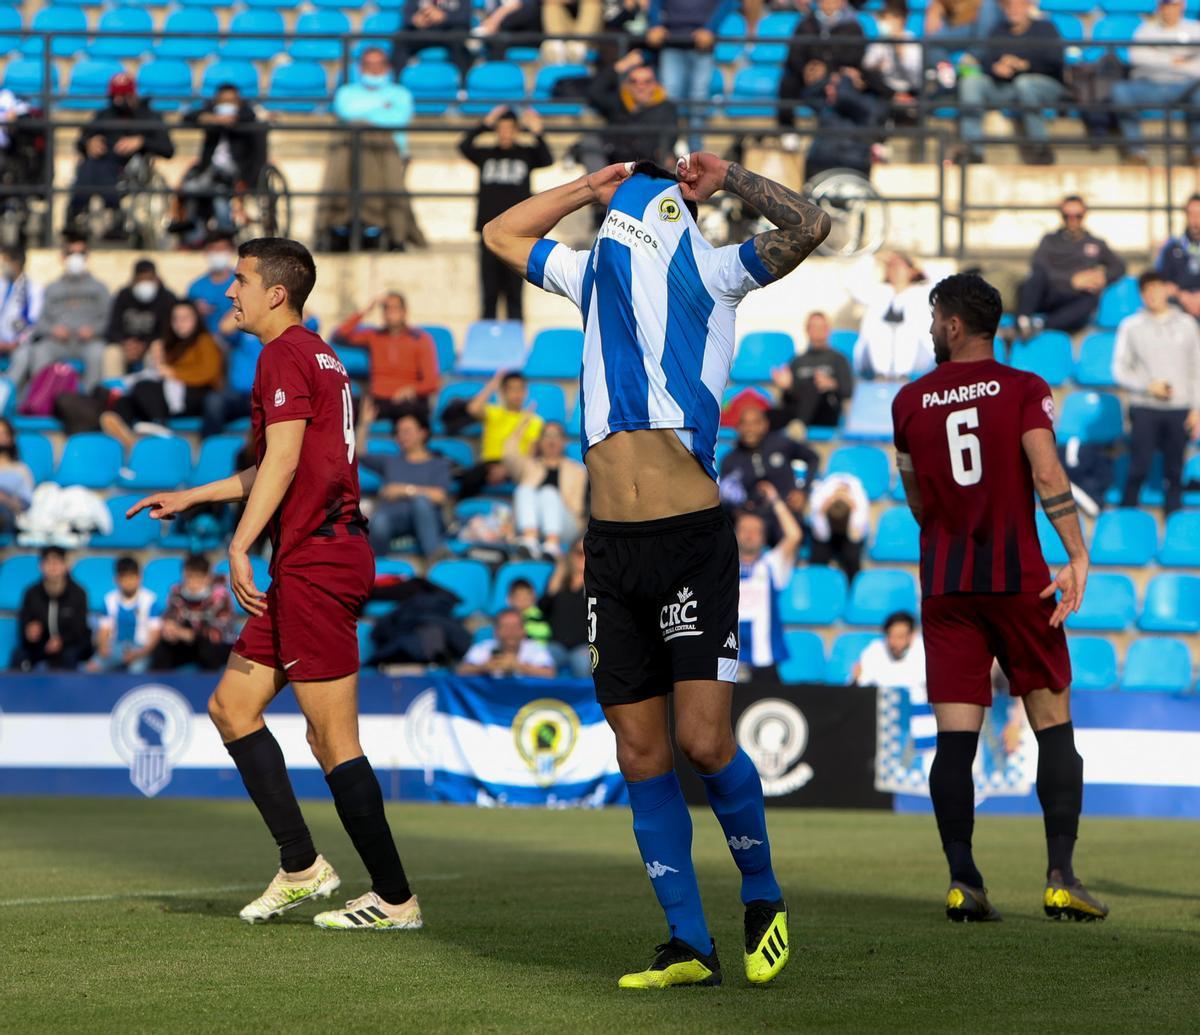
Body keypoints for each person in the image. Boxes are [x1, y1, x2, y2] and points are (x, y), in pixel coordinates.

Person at [484, 151, 830, 986]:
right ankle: (688, 942)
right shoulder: (588, 275)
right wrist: (581, 189)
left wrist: (731, 179)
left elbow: (812, 223)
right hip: (610, 547)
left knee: (703, 740)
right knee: (639, 752)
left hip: (688, 540)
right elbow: (498, 232)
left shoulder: (713, 272)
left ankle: (762, 892)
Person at [127, 237, 423, 932]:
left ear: (276, 292)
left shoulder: (282, 353)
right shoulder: (316, 353)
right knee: (233, 706)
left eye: (239, 280)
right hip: (309, 558)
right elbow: (277, 462)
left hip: (319, 558)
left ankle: (396, 898)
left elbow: (285, 459)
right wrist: (193, 496)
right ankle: (302, 866)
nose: (228, 292)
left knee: (331, 739)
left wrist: (237, 545)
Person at [892, 272, 1107, 923]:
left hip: (948, 585)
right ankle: (1061, 877)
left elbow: (917, 500)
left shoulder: (908, 401)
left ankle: (963, 879)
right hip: (1018, 579)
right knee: (1053, 725)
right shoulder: (1023, 389)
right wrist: (1076, 551)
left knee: (955, 741)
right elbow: (1046, 470)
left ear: (954, 324)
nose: (932, 328)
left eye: (935, 317)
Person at [317, 48, 425, 252]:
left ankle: (396, 236)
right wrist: (381, 107)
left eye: (379, 65)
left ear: (387, 67)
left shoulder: (400, 94)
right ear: (360, 68)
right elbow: (347, 112)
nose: (374, 70)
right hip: (352, 157)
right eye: (369, 65)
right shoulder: (346, 92)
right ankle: (340, 229)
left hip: (390, 155)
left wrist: (365, 113)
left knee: (391, 195)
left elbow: (397, 118)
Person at [1112, 271, 1200, 513]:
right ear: (1141, 294)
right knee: (1138, 467)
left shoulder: (1187, 323)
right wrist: (1147, 385)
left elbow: (1197, 367)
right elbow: (1119, 369)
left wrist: (1197, 408)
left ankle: (1173, 523)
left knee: (1175, 471)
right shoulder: (1131, 326)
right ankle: (1125, 517)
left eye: (1157, 287)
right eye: (1146, 290)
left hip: (1179, 408)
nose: (1152, 294)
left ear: (1166, 290)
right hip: (1144, 407)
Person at [459, 107, 553, 321]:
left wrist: (537, 132)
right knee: (489, 294)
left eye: (510, 129)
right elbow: (463, 145)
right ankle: (487, 346)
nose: (505, 133)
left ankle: (515, 345)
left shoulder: (526, 153)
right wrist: (484, 123)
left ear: (517, 130)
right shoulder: (485, 154)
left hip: (519, 234)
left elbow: (548, 159)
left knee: (514, 294)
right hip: (488, 231)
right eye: (500, 129)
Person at [64, 73, 174, 241]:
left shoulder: (148, 116)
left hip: (131, 168)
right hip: (100, 164)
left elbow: (168, 149)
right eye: (114, 96)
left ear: (132, 95)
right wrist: (89, 142)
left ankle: (112, 215)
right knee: (90, 166)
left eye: (123, 96)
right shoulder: (104, 114)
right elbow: (81, 140)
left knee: (100, 168)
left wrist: (142, 141)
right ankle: (77, 215)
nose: (118, 101)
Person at [100, 300, 224, 448]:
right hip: (169, 394)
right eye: (175, 319)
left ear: (196, 319)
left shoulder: (205, 341)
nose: (180, 323)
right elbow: (159, 372)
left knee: (144, 387)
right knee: (125, 400)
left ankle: (159, 424)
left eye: (185, 318)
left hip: (195, 394)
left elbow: (209, 373)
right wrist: (158, 355)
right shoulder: (172, 343)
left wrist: (174, 373)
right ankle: (126, 439)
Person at [956, 0, 1065, 166]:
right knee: (971, 82)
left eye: (1019, 5)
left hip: (1044, 85)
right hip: (1007, 87)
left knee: (1025, 83)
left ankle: (1041, 147)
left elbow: (1055, 62)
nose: (1014, 10)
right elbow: (986, 59)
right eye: (1009, 6)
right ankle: (973, 150)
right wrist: (996, 68)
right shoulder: (998, 30)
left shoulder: (1045, 28)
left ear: (1028, 6)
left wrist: (1025, 65)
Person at [172, 83, 267, 247]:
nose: (227, 105)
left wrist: (233, 120)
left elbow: (249, 116)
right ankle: (196, 235)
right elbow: (188, 116)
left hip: (234, 173)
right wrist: (211, 118)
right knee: (194, 190)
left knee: (217, 193)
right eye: (223, 101)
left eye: (231, 101)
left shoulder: (246, 118)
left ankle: (222, 234)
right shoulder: (211, 115)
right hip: (209, 172)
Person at [356, 398, 452, 559]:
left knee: (421, 502)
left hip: (426, 519)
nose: (401, 436)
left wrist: (404, 490)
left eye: (406, 431)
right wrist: (364, 424)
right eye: (398, 432)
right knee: (378, 520)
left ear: (423, 433)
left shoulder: (438, 463)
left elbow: (440, 496)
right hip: (394, 519)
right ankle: (376, 567)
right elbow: (360, 453)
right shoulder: (391, 461)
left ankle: (434, 559)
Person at [1016, 196, 1126, 338]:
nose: (1072, 219)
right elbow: (1038, 265)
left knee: (1091, 299)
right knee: (1035, 278)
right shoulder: (1049, 240)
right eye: (1067, 215)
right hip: (1048, 293)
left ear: (1084, 215)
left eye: (1077, 216)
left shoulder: (1096, 243)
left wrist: (1101, 277)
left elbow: (1119, 266)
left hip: (1073, 299)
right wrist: (1071, 280)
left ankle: (1041, 326)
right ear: (1061, 216)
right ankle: (1022, 321)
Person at [14, 235, 110, 391]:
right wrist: (52, 330)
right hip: (57, 342)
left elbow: (108, 318)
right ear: (63, 257)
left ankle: (89, 403)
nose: (76, 258)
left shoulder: (100, 288)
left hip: (88, 342)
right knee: (40, 352)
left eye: (81, 253)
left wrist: (94, 330)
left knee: (98, 353)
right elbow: (38, 321)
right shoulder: (52, 288)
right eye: (71, 253)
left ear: (87, 256)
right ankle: (40, 401)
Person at [1111, 0, 1200, 166]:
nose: (1169, 9)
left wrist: (1157, 56)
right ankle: (1137, 153)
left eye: (1173, 4)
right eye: (1165, 4)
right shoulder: (1146, 30)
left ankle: (1198, 153)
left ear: (1182, 6)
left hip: (1185, 87)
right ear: (1159, 7)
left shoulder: (1195, 29)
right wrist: (1178, 61)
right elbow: (1137, 57)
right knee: (1120, 91)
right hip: (1150, 86)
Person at [334, 292, 440, 422]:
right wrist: (367, 309)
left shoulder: (420, 339)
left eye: (395, 308)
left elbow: (431, 383)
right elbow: (340, 335)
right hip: (379, 400)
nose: (390, 312)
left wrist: (413, 390)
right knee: (342, 406)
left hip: (406, 401)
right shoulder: (374, 336)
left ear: (404, 311)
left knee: (415, 410)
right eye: (386, 308)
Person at [735, 484, 803, 683]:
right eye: (744, 529)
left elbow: (794, 535)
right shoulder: (723, 567)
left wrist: (775, 500)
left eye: (755, 531)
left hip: (765, 662)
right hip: (730, 662)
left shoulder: (771, 564)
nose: (749, 534)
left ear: (763, 537)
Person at [778, 0, 866, 149]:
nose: (829, 3)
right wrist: (807, 68)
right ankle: (788, 130)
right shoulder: (806, 23)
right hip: (807, 75)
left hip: (835, 76)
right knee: (788, 82)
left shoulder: (852, 26)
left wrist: (827, 69)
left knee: (843, 89)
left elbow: (854, 57)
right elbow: (795, 53)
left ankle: (839, 135)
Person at [719, 404, 819, 533]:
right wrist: (740, 508)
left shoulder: (781, 444)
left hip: (785, 512)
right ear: (738, 428)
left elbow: (813, 458)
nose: (750, 429)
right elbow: (727, 496)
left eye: (755, 423)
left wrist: (802, 491)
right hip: (752, 520)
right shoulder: (730, 460)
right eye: (744, 424)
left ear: (765, 424)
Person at [645, 0, 725, 154]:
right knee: (670, 98)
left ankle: (696, 154)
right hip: (671, 41)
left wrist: (711, 29)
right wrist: (655, 24)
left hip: (702, 45)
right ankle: (668, 150)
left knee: (698, 98)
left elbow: (728, 3)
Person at [584, 51, 680, 171]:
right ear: (627, 84)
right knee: (590, 141)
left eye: (647, 81)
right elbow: (594, 92)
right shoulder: (619, 101)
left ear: (655, 84)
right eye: (634, 81)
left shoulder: (666, 107)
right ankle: (599, 186)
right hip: (616, 164)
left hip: (649, 165)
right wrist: (622, 65)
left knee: (668, 159)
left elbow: (669, 138)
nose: (641, 86)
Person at [509, 419, 588, 558]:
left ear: (564, 441)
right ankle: (529, 540)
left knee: (548, 493)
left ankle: (552, 545)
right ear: (539, 441)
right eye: (547, 435)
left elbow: (577, 508)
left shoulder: (577, 470)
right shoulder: (529, 465)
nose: (551, 440)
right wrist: (522, 425)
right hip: (534, 523)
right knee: (523, 490)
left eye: (556, 435)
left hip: (566, 523)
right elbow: (509, 456)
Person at [851, 251, 936, 380]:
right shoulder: (878, 291)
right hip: (875, 365)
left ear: (911, 270)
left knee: (906, 329)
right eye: (891, 266)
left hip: (917, 361)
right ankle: (883, 375)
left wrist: (919, 265)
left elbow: (945, 286)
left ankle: (901, 376)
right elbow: (852, 284)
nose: (895, 270)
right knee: (881, 329)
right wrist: (872, 257)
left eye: (900, 266)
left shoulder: (923, 293)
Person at [459, 370, 543, 497]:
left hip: (517, 464)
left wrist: (507, 468)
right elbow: (473, 409)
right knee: (469, 478)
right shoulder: (493, 412)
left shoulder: (534, 420)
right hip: (490, 463)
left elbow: (531, 452)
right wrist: (493, 384)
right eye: (512, 389)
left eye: (520, 389)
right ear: (503, 392)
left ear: (526, 392)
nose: (517, 394)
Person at [149, 554, 238, 671]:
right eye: (189, 577)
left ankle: (210, 685)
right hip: (186, 643)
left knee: (207, 649)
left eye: (198, 578)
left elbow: (218, 633)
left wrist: (191, 635)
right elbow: (170, 615)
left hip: (216, 646)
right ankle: (161, 685)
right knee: (161, 649)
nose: (192, 583)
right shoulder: (176, 592)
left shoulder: (220, 596)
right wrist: (169, 628)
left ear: (208, 577)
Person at [11, 546, 92, 671]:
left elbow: (80, 629)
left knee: (69, 656)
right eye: (48, 562)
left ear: (66, 566)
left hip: (69, 646)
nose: (53, 566)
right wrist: (30, 632)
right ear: (41, 566)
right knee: (19, 656)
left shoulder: (78, 593)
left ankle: (68, 690)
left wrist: (62, 640)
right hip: (41, 646)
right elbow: (24, 624)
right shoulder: (31, 593)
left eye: (57, 562)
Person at [770, 311, 854, 429]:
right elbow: (788, 399)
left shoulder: (839, 359)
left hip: (825, 410)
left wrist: (832, 384)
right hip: (798, 409)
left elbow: (848, 391)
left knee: (814, 384)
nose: (817, 330)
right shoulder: (797, 360)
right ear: (807, 330)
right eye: (814, 327)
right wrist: (787, 387)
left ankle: (800, 424)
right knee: (768, 415)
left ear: (828, 330)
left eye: (821, 327)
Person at [104, 258, 177, 378]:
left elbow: (167, 331)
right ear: (133, 280)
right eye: (141, 279)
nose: (145, 283)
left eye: (149, 279)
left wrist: (145, 345)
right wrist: (125, 343)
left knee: (156, 351)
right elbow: (112, 328)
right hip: (126, 346)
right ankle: (114, 392)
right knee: (111, 353)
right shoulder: (123, 295)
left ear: (156, 279)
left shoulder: (167, 298)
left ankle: (149, 391)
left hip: (150, 346)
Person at [90, 556, 160, 674]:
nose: (128, 582)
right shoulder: (109, 599)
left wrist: (138, 654)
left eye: (131, 577)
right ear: (116, 579)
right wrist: (102, 646)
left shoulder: (150, 600)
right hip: (115, 648)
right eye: (124, 578)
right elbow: (103, 630)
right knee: (91, 668)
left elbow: (154, 636)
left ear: (140, 577)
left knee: (136, 671)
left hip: (140, 649)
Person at [456, 607, 557, 677]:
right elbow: (461, 671)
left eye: (515, 627)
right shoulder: (483, 647)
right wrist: (484, 667)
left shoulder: (535, 648)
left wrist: (518, 666)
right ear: (496, 631)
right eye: (505, 627)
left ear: (524, 631)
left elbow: (550, 673)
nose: (511, 632)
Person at [541, 540, 591, 677]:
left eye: (589, 552)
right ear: (571, 555)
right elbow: (542, 609)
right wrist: (555, 583)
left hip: (583, 645)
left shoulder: (597, 585)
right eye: (580, 553)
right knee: (540, 663)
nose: (585, 557)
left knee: (583, 664)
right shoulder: (559, 582)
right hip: (557, 644)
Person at [807, 470, 869, 580]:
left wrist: (848, 501)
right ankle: (818, 586)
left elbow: (855, 537)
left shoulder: (859, 499)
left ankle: (852, 587)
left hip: (849, 534)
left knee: (852, 557)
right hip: (825, 532)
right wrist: (829, 502)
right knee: (818, 556)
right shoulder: (819, 498)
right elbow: (822, 535)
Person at [851, 610, 926, 695]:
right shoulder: (875, 650)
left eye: (900, 637)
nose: (895, 642)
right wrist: (856, 679)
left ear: (912, 636)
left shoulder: (926, 651)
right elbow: (858, 687)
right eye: (891, 636)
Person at [392, 0, 474, 76]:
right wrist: (415, 19)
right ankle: (398, 83)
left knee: (461, 41)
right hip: (423, 32)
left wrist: (445, 16)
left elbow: (466, 16)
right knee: (400, 39)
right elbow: (407, 15)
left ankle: (463, 84)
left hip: (449, 32)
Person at [863, 0, 923, 100]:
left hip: (910, 91)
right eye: (883, 18)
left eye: (889, 18)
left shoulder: (912, 42)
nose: (885, 23)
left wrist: (900, 53)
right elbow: (867, 64)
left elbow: (916, 78)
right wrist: (878, 65)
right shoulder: (881, 41)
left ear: (901, 20)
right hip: (886, 91)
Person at [0, 246, 43, 379]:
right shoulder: (1, 284)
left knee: (23, 356)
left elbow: (33, 322)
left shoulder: (33, 289)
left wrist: (16, 343)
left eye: (5, 261)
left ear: (16, 264)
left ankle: (6, 393)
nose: (3, 265)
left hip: (17, 344)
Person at [1155, 194, 1200, 316]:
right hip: (1179, 309)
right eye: (1191, 214)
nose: (1195, 219)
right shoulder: (1171, 248)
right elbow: (1161, 283)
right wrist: (1183, 297)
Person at [187, 234, 238, 338]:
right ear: (205, 252)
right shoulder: (195, 288)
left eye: (222, 249)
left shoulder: (242, 281)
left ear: (231, 250)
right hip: (209, 347)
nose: (218, 253)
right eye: (214, 249)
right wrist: (195, 313)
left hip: (243, 350)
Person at [0, 416, 33, 538]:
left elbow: (25, 505)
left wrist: (4, 498)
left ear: (10, 438)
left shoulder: (21, 470)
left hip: (6, 516)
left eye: (3, 433)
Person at [507, 578, 552, 642]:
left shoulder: (542, 614)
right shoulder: (508, 618)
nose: (523, 601)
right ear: (510, 599)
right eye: (519, 597)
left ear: (534, 596)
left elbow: (546, 632)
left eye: (526, 597)